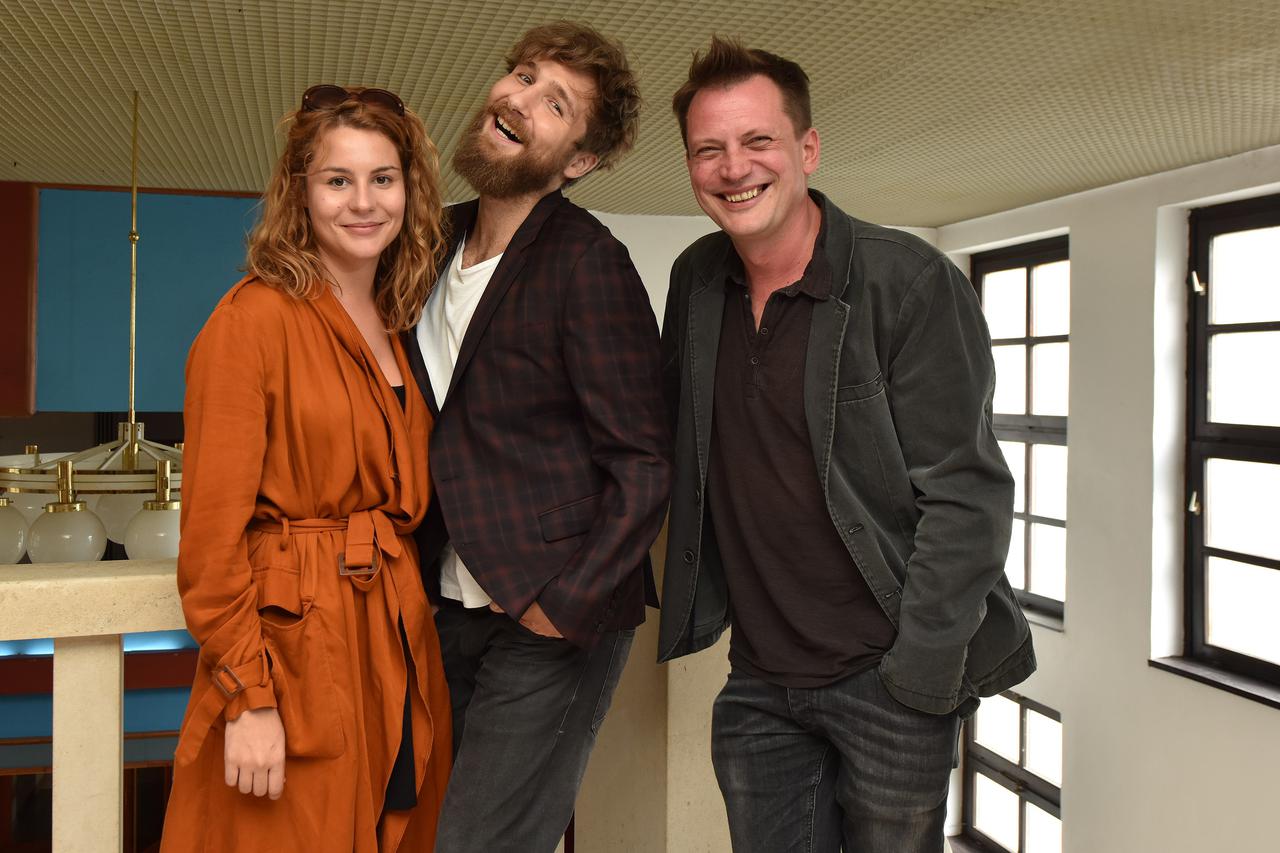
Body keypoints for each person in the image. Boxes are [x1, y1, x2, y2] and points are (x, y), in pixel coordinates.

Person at [657, 38, 1036, 852]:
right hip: (759, 680)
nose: (733, 168)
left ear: (807, 149)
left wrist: (920, 677)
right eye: (708, 149)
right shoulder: (694, 280)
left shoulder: (910, 283)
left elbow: (967, 496)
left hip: (890, 677)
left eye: (757, 141)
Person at [401, 22, 670, 853]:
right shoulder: (429, 242)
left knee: (479, 843)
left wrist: (564, 605)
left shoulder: (590, 262)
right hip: (446, 602)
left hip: (549, 614)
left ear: (578, 161)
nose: (519, 99)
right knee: (430, 828)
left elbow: (645, 463)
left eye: (554, 103)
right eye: (521, 76)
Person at [161, 85, 452, 852]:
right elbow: (210, 543)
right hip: (296, 654)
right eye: (337, 180)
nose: (363, 202)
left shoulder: (401, 322)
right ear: (300, 192)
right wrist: (248, 695)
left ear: (409, 191)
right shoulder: (250, 321)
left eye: (383, 178)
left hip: (394, 640)